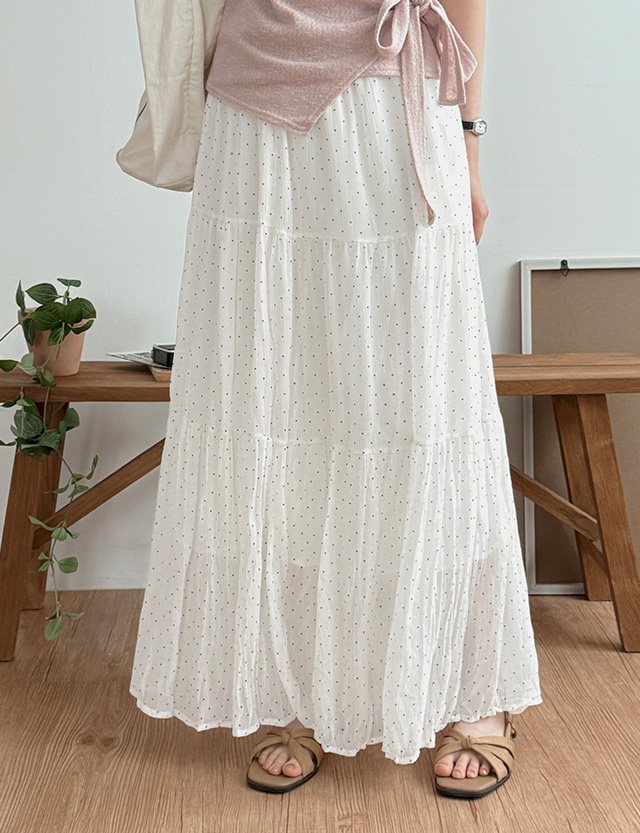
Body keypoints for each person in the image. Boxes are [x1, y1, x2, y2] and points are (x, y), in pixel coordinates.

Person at [122, 0, 543, 801]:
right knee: (284, 404)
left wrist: (468, 142)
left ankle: (472, 690)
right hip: (256, 112)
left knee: (428, 401)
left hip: (396, 106)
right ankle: (302, 687)